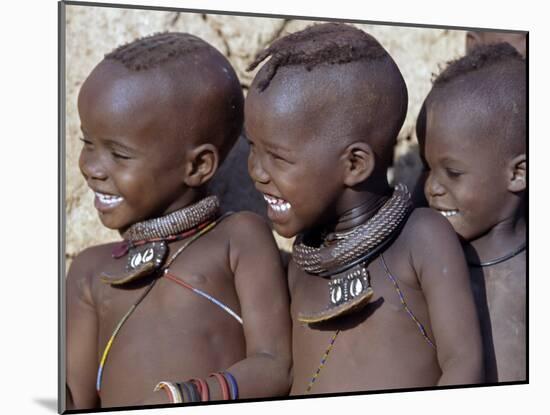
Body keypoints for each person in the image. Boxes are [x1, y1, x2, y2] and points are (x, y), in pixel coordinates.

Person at [244, 23, 483, 394]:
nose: (256, 172)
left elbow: (463, 363)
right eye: (252, 148)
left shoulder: (422, 238)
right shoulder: (305, 263)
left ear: (355, 164)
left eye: (276, 157)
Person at [66, 32, 291, 410]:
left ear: (199, 166)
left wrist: (183, 397)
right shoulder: (90, 270)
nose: (91, 168)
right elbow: (76, 397)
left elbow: (274, 365)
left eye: (118, 154)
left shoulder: (237, 238)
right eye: (88, 142)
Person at [418, 43, 526, 382]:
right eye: (427, 168)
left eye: (453, 173)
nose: (432, 188)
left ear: (518, 174)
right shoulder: (424, 260)